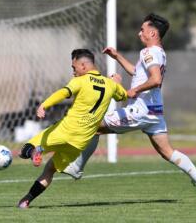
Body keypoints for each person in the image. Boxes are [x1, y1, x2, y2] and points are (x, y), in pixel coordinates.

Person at [63, 13, 196, 204]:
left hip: (142, 110)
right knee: (167, 152)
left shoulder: (148, 52)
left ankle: (77, 167)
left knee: (94, 126)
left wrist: (135, 89)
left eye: (142, 30)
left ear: (152, 33)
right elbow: (138, 73)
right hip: (155, 111)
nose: (139, 33)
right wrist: (117, 56)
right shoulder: (159, 52)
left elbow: (155, 79)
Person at [17, 49, 127, 208]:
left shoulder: (81, 81)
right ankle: (25, 201)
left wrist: (44, 105)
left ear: (83, 65)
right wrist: (117, 82)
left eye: (74, 67)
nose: (73, 71)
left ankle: (35, 151)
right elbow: (123, 95)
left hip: (65, 131)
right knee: (50, 169)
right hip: (80, 142)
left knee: (24, 150)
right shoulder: (110, 85)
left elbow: (63, 92)